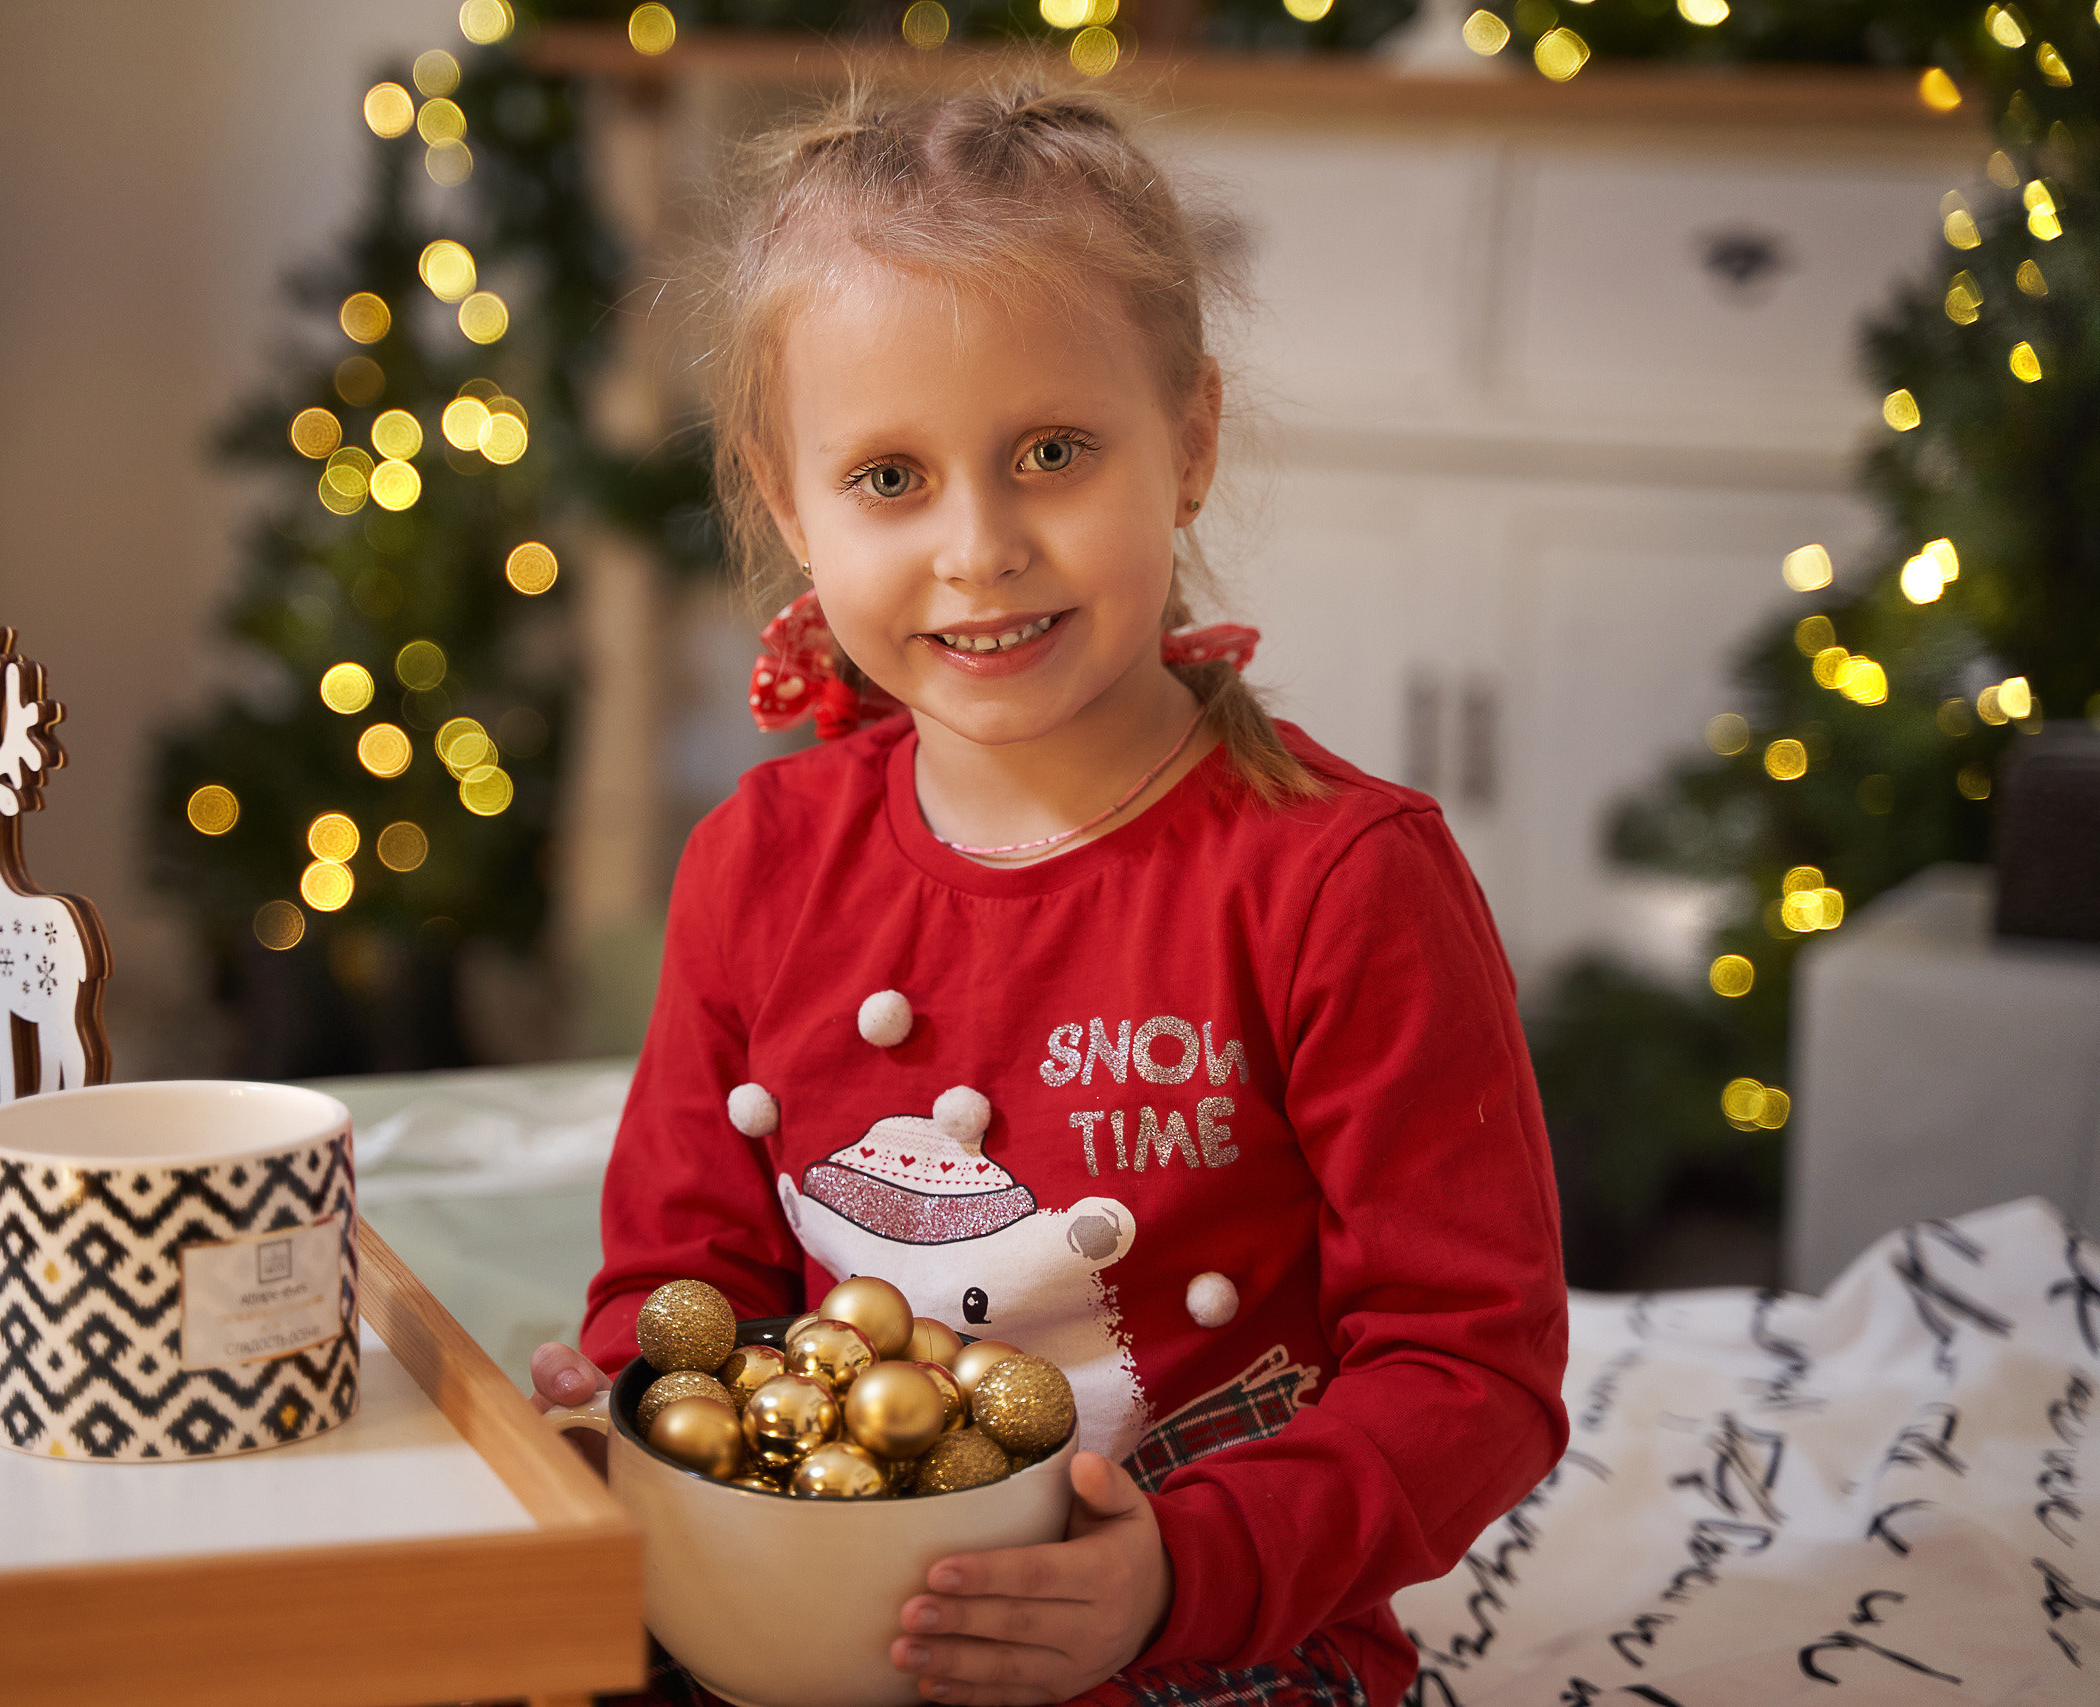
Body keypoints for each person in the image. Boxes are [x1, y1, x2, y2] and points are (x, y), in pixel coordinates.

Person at [529, 73, 1569, 1707]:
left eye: (1052, 452)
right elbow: (690, 1279)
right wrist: (641, 1404)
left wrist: (1178, 1570)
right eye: (888, 478)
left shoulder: (1342, 883)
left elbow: (1473, 1373)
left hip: (1223, 1653)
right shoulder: (759, 860)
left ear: (1193, 442)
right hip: (809, 1633)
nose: (979, 544)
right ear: (788, 500)